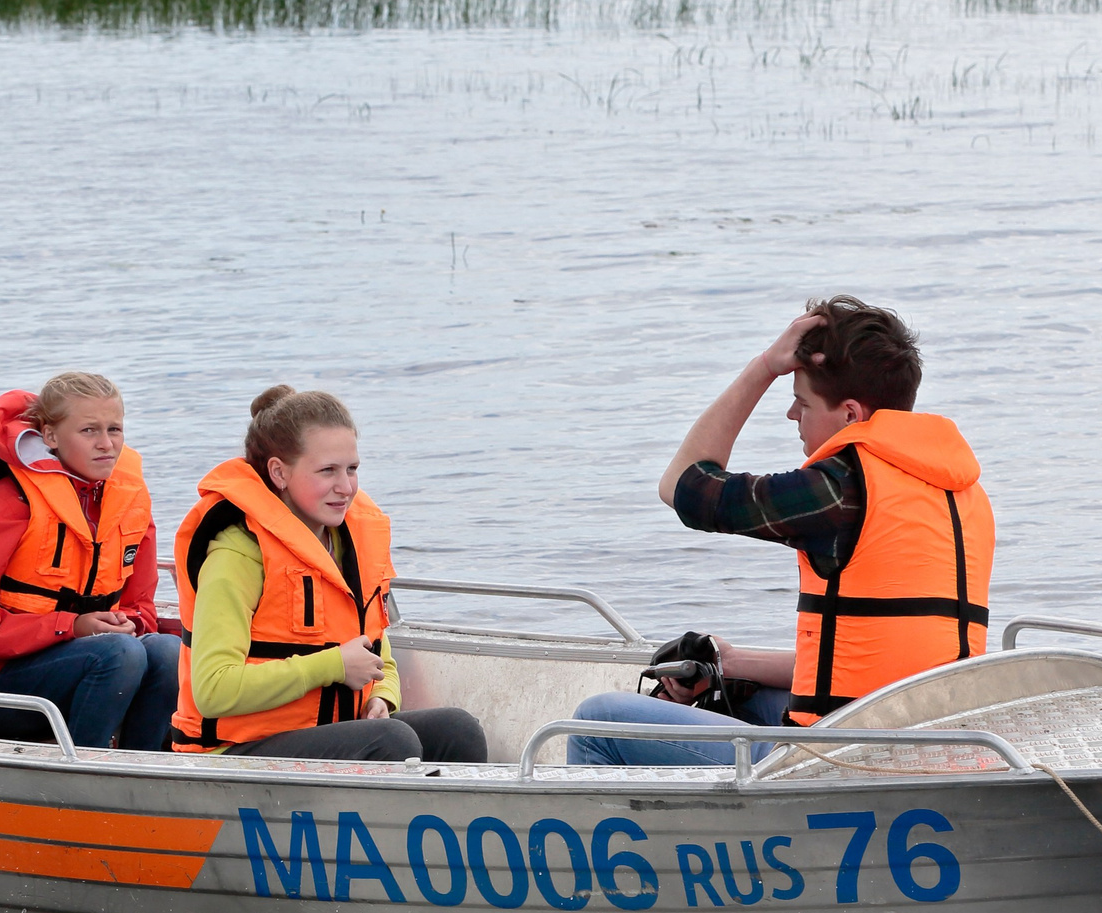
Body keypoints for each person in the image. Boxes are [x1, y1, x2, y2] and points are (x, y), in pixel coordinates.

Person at [567, 295, 994, 766]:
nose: (792, 416)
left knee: (595, 721)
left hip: (839, 760)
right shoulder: (961, 494)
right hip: (925, 738)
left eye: (801, 402)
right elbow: (869, 664)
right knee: (737, 695)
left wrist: (766, 367)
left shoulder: (837, 490)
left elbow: (681, 485)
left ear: (850, 415)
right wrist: (729, 665)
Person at [170, 386, 486, 764]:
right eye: (327, 471)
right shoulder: (237, 554)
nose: (346, 487)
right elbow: (213, 689)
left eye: (352, 469)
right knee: (392, 742)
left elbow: (376, 653)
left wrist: (382, 696)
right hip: (236, 751)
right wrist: (332, 666)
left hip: (330, 732)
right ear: (278, 472)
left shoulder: (348, 543)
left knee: (457, 729)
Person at [0, 372, 180, 750]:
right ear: (50, 437)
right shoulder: (4, 500)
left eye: (114, 429)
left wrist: (127, 621)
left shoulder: (128, 500)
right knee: (120, 653)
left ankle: (141, 773)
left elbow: (140, 606)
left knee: (167, 652)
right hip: (4, 686)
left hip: (105, 663)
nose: (107, 445)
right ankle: (83, 777)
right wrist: (72, 626)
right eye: (88, 431)